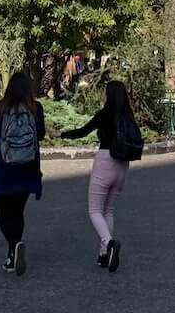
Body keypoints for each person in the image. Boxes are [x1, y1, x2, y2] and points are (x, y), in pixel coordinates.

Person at [59, 79, 138, 272]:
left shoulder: (105, 114)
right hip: (123, 164)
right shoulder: (128, 115)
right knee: (108, 210)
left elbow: (82, 132)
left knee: (94, 210)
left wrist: (62, 135)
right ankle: (104, 255)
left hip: (105, 160)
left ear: (108, 95)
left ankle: (109, 243)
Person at [0, 70, 46, 276]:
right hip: (28, 167)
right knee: (18, 211)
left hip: (5, 167)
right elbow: (40, 135)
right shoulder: (36, 108)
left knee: (3, 215)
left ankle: (13, 248)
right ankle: (15, 249)